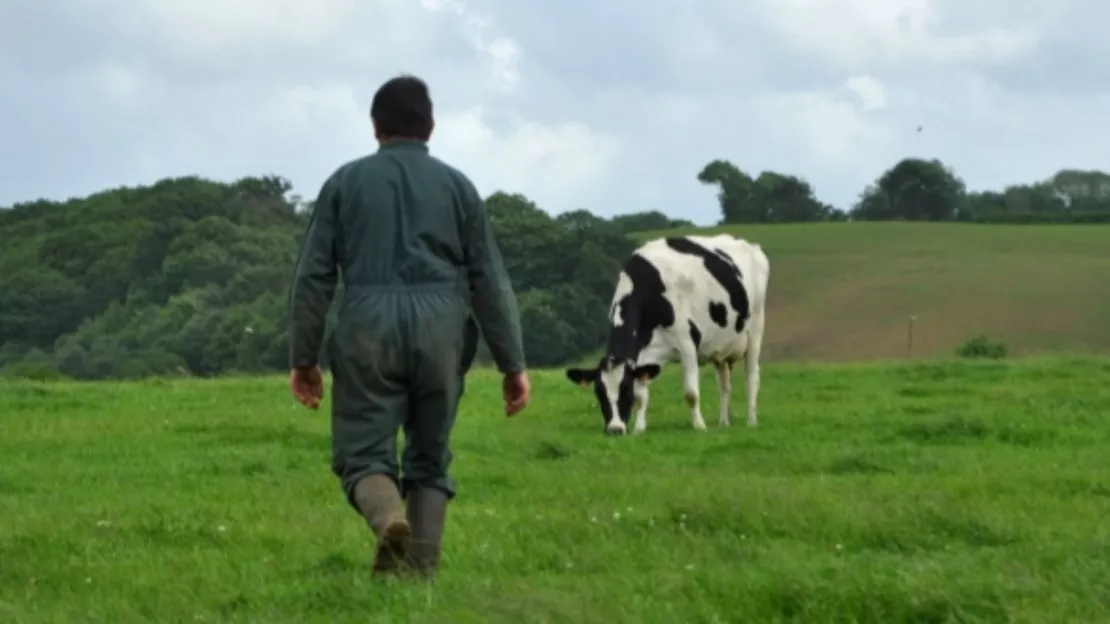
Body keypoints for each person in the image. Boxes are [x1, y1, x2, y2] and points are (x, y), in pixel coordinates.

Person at [286, 74, 531, 579]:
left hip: (368, 326)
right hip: (443, 328)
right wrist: (514, 364)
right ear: (431, 127)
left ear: (375, 127)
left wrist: (303, 357)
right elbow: (490, 279)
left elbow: (313, 276)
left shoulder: (345, 183)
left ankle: (388, 519)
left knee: (362, 456)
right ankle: (419, 578)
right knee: (430, 458)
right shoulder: (459, 186)